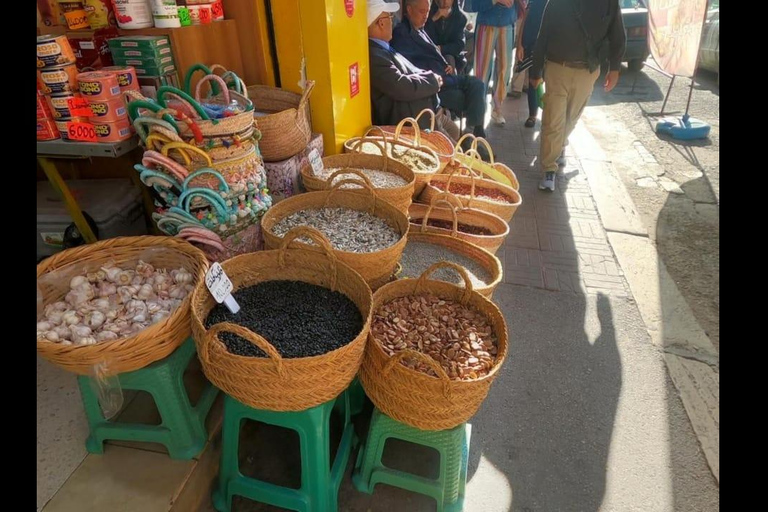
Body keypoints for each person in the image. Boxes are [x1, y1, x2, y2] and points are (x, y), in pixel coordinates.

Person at [530, 0, 625, 192]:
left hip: (587, 71)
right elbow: (543, 35)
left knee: (571, 119)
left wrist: (614, 69)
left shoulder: (609, 3)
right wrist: (536, 71)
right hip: (557, 69)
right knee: (553, 121)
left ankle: (559, 146)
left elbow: (618, 37)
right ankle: (549, 169)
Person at [391, 0, 489, 145]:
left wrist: (445, 62)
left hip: (446, 72)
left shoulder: (425, 26)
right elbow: (414, 66)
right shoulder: (403, 33)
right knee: (470, 99)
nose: (425, 16)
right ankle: (471, 137)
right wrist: (434, 17)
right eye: (422, 12)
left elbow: (457, 45)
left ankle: (472, 131)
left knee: (478, 85)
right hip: (433, 84)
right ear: (409, 10)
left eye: (427, 11)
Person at [367, 0, 442, 127]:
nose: (392, 21)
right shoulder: (375, 55)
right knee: (454, 141)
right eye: (390, 17)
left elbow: (409, 71)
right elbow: (400, 85)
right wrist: (432, 81)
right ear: (381, 23)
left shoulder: (383, 48)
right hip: (412, 123)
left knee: (454, 134)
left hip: (424, 113)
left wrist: (429, 76)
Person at [469, 0, 524, 125]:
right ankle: (479, 110)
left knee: (504, 69)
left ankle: (497, 108)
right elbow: (472, 5)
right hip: (485, 24)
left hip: (507, 24)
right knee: (480, 72)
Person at [514, 0, 545, 128]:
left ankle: (548, 115)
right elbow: (525, 21)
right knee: (533, 80)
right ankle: (532, 115)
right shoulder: (535, 2)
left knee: (550, 82)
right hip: (533, 46)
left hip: (552, 48)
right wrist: (520, 44)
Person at [425, 0, 468, 73]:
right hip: (429, 51)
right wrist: (434, 19)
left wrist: (441, 48)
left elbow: (459, 44)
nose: (445, 2)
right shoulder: (428, 13)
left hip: (449, 53)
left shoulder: (460, 17)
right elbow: (421, 33)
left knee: (449, 59)